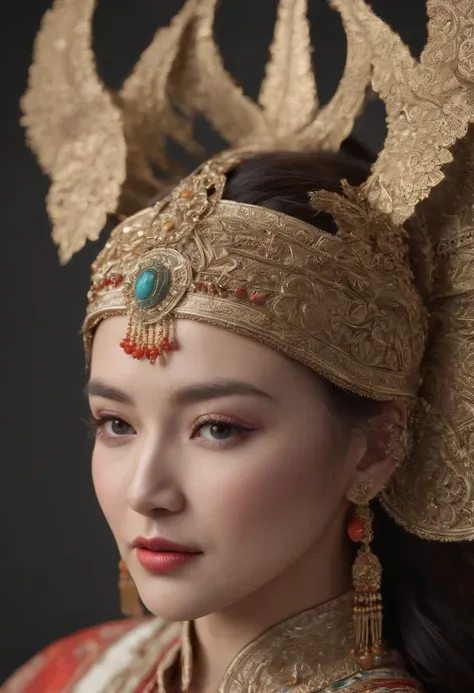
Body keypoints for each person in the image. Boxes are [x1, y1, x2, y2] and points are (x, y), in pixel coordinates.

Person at [4, 0, 473, 691]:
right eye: (116, 423)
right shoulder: (67, 673)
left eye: (217, 427)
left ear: (375, 447)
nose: (146, 490)